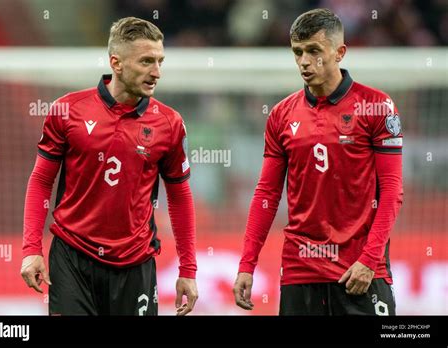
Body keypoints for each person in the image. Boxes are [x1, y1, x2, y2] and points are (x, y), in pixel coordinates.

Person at [20, 17, 198, 315]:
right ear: (116, 63)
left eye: (160, 61)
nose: (157, 72)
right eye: (146, 61)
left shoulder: (169, 124)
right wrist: (30, 250)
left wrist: (188, 269)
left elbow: (179, 196)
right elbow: (40, 180)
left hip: (135, 264)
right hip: (72, 258)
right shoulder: (68, 111)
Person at [233, 8, 403, 315]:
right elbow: (267, 195)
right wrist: (247, 263)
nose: (304, 61)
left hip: (360, 271)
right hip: (301, 271)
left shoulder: (377, 106)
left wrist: (369, 259)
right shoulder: (281, 115)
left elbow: (391, 190)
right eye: (297, 52)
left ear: (340, 53)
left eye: (314, 51)